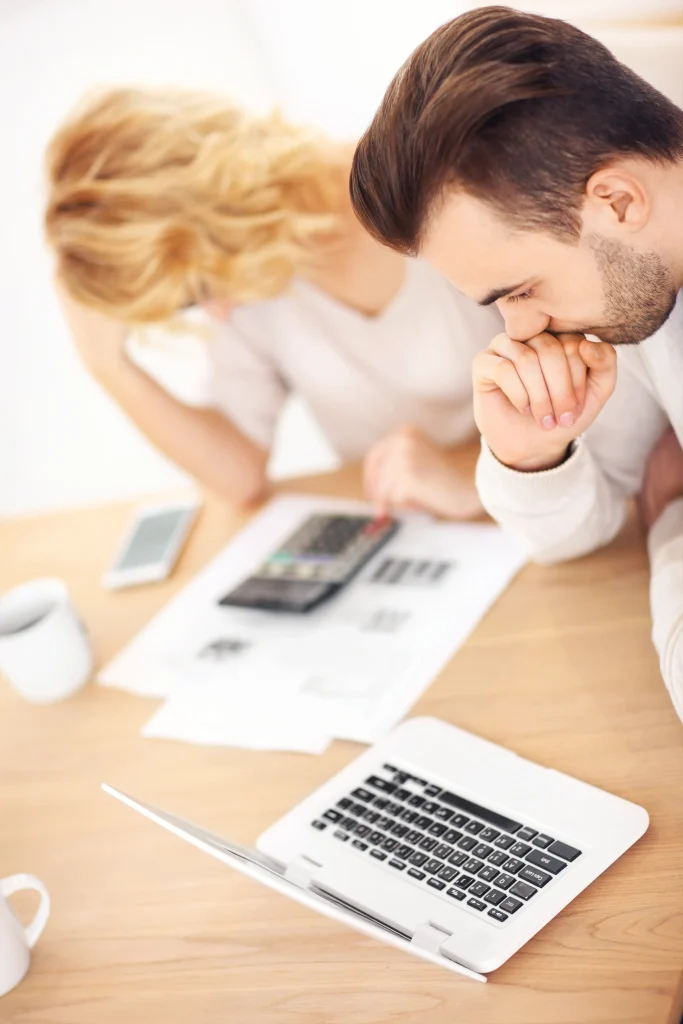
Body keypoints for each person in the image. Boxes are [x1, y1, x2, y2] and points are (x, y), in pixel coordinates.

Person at [349, 7, 683, 719]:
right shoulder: (643, 286)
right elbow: (579, 529)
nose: (520, 328)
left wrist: (669, 527)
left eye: (522, 289)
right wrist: (530, 455)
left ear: (618, 202)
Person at [46, 87, 501, 519]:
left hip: (521, 511)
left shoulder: (423, 186)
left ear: (224, 208)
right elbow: (239, 477)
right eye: (192, 303)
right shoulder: (255, 290)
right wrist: (107, 366)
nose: (218, 312)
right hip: (431, 528)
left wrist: (473, 478)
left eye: (202, 288)